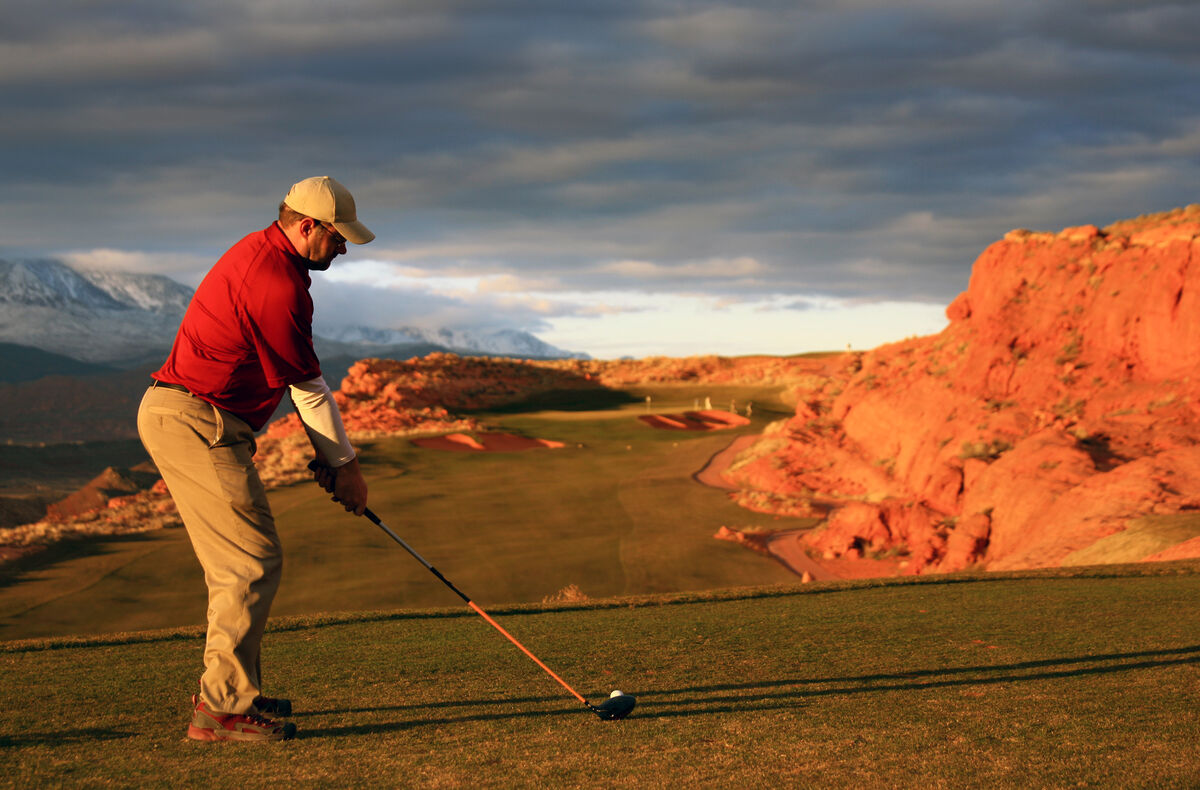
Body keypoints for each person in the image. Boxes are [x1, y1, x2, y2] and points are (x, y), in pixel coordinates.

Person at [137, 176, 373, 743]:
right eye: (337, 237)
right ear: (306, 226)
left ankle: (236, 691)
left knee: (248, 558)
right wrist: (345, 468)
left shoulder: (266, 254)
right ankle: (220, 711)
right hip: (195, 420)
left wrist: (330, 459)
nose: (343, 248)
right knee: (248, 562)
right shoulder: (276, 283)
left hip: (197, 418)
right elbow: (308, 388)